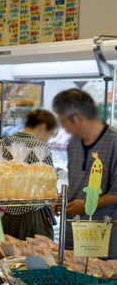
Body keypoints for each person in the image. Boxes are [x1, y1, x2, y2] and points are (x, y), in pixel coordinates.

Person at [53, 89, 117, 260]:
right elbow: (78, 183)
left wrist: (89, 204)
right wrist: (62, 199)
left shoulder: (114, 142)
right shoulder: (73, 142)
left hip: (102, 234)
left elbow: (116, 193)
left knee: (99, 280)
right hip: (72, 231)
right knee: (72, 276)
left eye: (63, 120)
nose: (63, 126)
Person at [0, 109, 58, 241]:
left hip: (3, 213)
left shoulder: (2, 143)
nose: (49, 138)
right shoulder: (40, 147)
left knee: (5, 254)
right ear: (42, 127)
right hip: (32, 215)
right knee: (37, 256)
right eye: (51, 133)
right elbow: (49, 183)